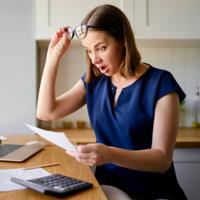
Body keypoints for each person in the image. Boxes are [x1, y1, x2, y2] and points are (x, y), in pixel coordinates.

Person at [36, 4, 187, 200]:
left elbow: (162, 160)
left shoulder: (161, 83)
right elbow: (46, 112)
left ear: (123, 40)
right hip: (109, 192)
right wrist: (53, 57)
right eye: (88, 51)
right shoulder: (94, 81)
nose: (94, 59)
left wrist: (109, 154)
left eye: (101, 48)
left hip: (155, 194)